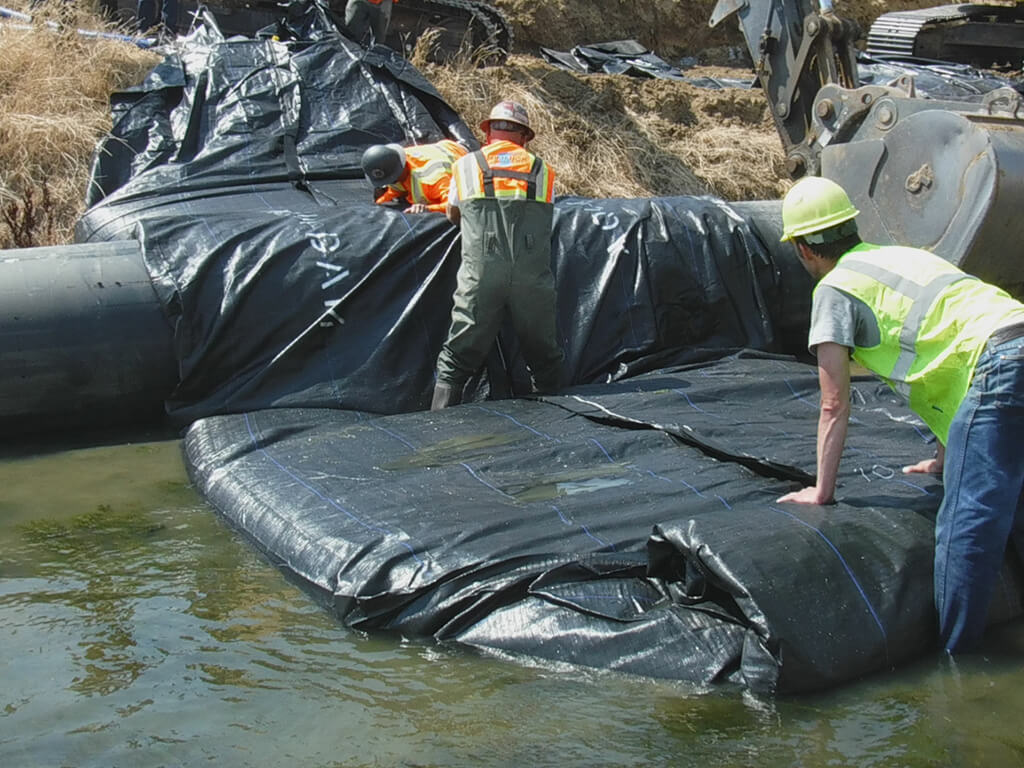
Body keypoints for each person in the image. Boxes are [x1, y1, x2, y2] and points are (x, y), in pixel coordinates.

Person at [775, 175, 1024, 654]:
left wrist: (822, 491)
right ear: (851, 226)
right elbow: (944, 350)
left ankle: (958, 665)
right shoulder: (903, 256)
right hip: (1012, 338)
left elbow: (833, 401)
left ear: (804, 249)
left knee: (967, 520)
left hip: (1000, 363)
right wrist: (948, 451)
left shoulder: (834, 289)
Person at [431, 100, 563, 410]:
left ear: (489, 132)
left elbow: (454, 213)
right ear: (524, 137)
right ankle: (559, 423)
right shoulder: (544, 171)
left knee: (457, 356)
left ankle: (437, 426)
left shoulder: (465, 165)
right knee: (544, 355)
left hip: (481, 274)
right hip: (532, 278)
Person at [360, 139, 468, 214]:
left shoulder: (435, 177)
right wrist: (378, 204)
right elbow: (395, 189)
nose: (391, 184)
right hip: (441, 148)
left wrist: (428, 209)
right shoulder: (396, 159)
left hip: (462, 153)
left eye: (392, 180)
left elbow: (454, 206)